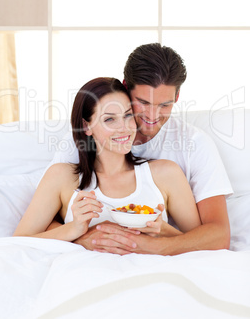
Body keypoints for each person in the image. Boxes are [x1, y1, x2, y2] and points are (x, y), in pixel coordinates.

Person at [41, 43, 233, 255]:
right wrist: (83, 238)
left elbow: (218, 235)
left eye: (164, 105)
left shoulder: (194, 144)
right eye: (143, 102)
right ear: (125, 87)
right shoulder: (85, 138)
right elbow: (47, 220)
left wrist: (151, 246)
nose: (152, 116)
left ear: (177, 98)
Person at [13, 77, 201, 245]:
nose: (124, 128)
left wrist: (164, 230)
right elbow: (18, 242)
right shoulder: (62, 177)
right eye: (110, 119)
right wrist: (75, 231)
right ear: (87, 126)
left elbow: (201, 244)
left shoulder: (166, 174)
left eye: (128, 115)